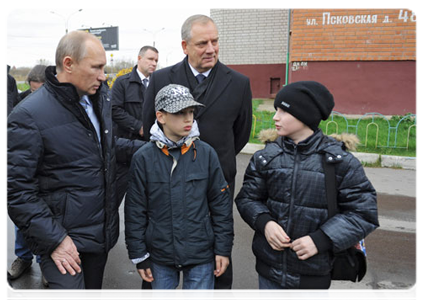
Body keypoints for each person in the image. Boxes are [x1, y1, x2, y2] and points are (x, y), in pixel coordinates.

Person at [5, 31, 143, 300]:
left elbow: (104, 149)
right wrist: (55, 240)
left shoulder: (100, 99)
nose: (104, 76)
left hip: (98, 235)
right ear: (68, 64)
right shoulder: (27, 115)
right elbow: (18, 193)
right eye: (97, 67)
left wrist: (151, 150)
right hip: (61, 239)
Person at [235, 81, 379, 300]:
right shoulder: (267, 156)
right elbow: (247, 198)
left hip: (312, 275)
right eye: (276, 110)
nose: (275, 117)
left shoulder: (338, 162)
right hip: (269, 270)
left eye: (283, 111)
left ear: (305, 115)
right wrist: (265, 223)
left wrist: (321, 240)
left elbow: (362, 214)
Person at [142, 14, 252, 300]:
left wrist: (211, 162)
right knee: (163, 243)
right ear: (185, 46)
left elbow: (241, 134)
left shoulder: (239, 83)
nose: (211, 48)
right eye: (202, 43)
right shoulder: (161, 79)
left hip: (216, 181)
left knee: (218, 243)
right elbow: (149, 127)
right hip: (167, 178)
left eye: (215, 41)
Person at [125, 84, 234, 300]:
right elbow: (135, 210)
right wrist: (139, 255)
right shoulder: (144, 158)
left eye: (191, 112)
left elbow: (221, 206)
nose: (188, 119)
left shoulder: (206, 154)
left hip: (200, 253)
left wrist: (223, 248)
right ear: (161, 116)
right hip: (160, 254)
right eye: (180, 113)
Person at [9, 64, 47, 285]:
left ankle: (45, 262)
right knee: (21, 215)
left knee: (44, 216)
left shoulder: (59, 104)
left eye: (39, 91)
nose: (35, 95)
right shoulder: (20, 104)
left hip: (47, 169)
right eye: (32, 91)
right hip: (25, 168)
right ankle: (23, 258)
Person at [111, 45, 159, 205]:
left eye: (156, 61)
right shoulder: (122, 83)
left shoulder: (158, 84)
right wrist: (138, 126)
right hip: (124, 151)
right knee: (114, 199)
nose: (154, 63)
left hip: (150, 148)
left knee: (147, 200)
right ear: (139, 59)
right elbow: (114, 109)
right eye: (150, 59)